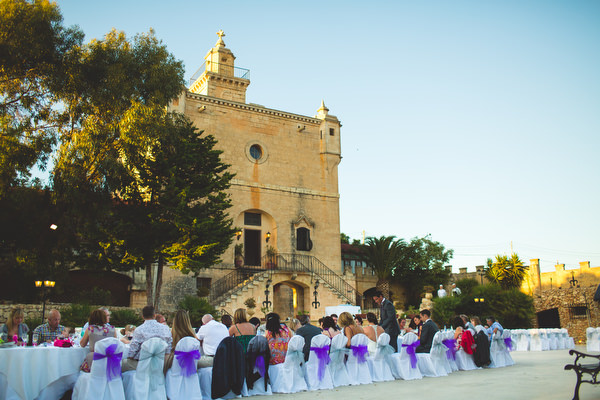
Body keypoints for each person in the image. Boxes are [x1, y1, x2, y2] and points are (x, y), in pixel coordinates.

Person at [122, 305, 172, 372]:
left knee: (123, 363)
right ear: (154, 315)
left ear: (143, 317)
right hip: (160, 365)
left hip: (143, 365)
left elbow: (132, 352)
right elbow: (168, 350)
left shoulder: (139, 330)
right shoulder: (165, 329)